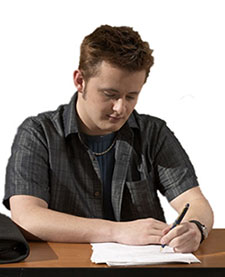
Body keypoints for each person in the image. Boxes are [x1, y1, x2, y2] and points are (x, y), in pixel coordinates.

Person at [3, 25, 213, 253]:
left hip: (143, 270)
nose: (121, 108)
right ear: (80, 81)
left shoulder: (153, 133)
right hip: (66, 269)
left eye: (131, 96)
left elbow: (195, 202)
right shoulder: (38, 133)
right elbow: (27, 217)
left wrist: (195, 227)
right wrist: (117, 231)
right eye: (110, 95)